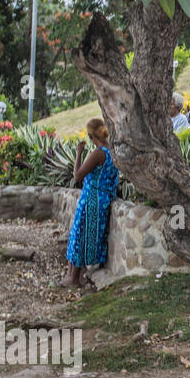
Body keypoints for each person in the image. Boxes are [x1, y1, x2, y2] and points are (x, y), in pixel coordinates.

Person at [62, 118, 119, 288]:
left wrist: (79, 153)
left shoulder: (99, 153)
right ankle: (72, 276)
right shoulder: (113, 150)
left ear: (90, 135)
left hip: (91, 198)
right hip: (104, 199)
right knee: (85, 236)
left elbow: (78, 176)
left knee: (80, 236)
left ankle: (73, 279)